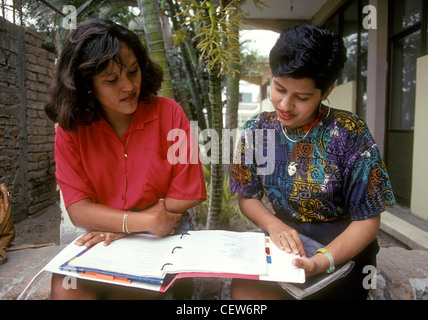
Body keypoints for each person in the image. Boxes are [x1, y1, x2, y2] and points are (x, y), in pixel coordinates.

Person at [229, 24, 395, 300]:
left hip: (342, 253)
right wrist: (275, 225)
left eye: (302, 98)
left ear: (326, 90)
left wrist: (320, 262)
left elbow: (367, 221)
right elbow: (247, 196)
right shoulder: (255, 130)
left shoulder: (350, 133)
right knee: (245, 292)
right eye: (279, 88)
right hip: (285, 247)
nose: (284, 104)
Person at [45, 18, 206, 300]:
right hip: (107, 236)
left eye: (133, 72)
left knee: (130, 293)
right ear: (86, 84)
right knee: (65, 290)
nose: (129, 86)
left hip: (162, 234)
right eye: (111, 80)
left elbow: (187, 194)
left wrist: (139, 226)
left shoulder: (169, 114)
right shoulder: (71, 129)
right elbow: (78, 209)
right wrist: (136, 222)